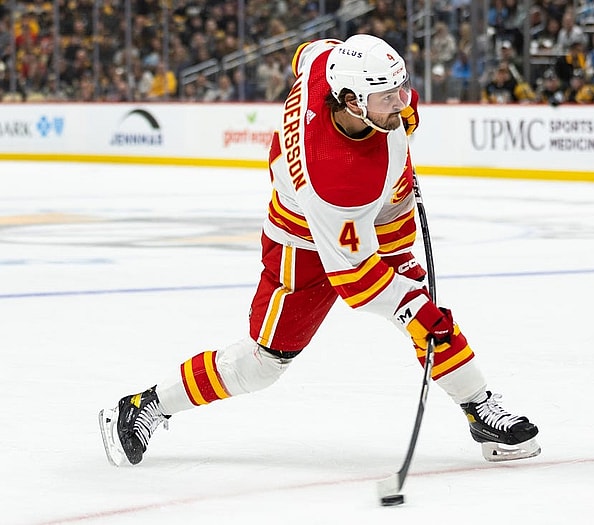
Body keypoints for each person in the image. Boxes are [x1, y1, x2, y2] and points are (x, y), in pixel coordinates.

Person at [99, 34, 541, 468]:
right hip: (304, 242)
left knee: (424, 312)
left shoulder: (324, 66)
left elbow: (305, 52)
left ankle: (478, 406)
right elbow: (355, 281)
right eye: (388, 98)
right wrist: (408, 305)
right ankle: (146, 404)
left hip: (381, 208)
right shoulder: (336, 179)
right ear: (350, 102)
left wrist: (393, 113)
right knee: (263, 363)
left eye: (401, 90)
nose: (403, 104)